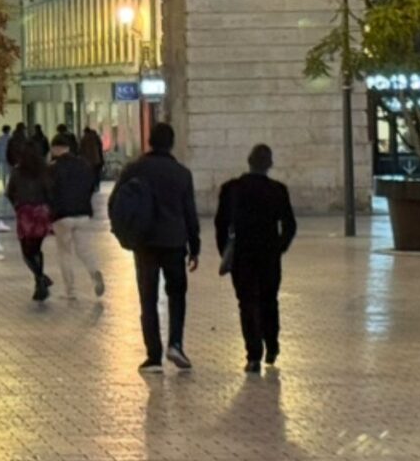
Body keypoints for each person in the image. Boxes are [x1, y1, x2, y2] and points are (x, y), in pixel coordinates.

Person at [114, 121, 201, 372]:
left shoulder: (134, 169)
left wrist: (124, 233)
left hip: (144, 242)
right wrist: (194, 247)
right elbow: (189, 213)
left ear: (149, 141)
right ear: (172, 143)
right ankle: (175, 343)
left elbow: (116, 203)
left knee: (148, 297)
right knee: (177, 294)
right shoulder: (182, 173)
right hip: (174, 242)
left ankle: (153, 356)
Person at [216, 143, 297, 372]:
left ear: (249, 162)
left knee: (246, 303)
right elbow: (289, 225)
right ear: (269, 164)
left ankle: (253, 355)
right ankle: (271, 345)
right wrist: (279, 247)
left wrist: (225, 251)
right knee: (269, 300)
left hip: (242, 254)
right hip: (269, 255)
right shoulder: (278, 190)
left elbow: (221, 224)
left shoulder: (231, 189)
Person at [49, 130, 106, 299]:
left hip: (62, 215)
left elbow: (49, 191)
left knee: (65, 252)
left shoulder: (53, 168)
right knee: (84, 249)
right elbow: (91, 186)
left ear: (56, 149)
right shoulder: (83, 164)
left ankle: (71, 291)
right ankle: (94, 272)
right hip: (83, 213)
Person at [6, 146, 56, 302]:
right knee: (36, 248)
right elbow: (50, 191)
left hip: (25, 212)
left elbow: (9, 192)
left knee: (26, 251)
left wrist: (16, 205)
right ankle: (40, 280)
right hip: (41, 211)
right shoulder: (44, 171)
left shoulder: (17, 171)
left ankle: (40, 279)